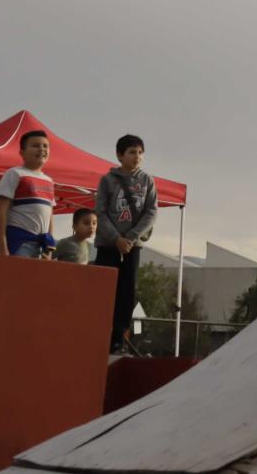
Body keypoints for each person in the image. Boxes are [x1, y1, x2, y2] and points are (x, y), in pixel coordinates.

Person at [95, 134, 158, 355]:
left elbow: (151, 212)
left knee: (127, 292)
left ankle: (119, 338)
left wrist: (130, 238)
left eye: (140, 153)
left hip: (133, 246)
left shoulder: (147, 181)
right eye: (132, 152)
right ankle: (97, 334)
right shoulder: (107, 180)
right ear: (120, 155)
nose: (137, 157)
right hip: (108, 244)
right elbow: (100, 213)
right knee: (104, 290)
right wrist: (116, 238)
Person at [0, 130, 56, 257]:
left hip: (40, 246)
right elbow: (1, 210)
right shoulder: (15, 173)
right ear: (22, 152)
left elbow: (49, 216)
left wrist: (48, 248)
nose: (41, 149)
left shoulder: (49, 181)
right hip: (18, 243)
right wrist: (2, 247)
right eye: (35, 145)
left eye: (45, 146)